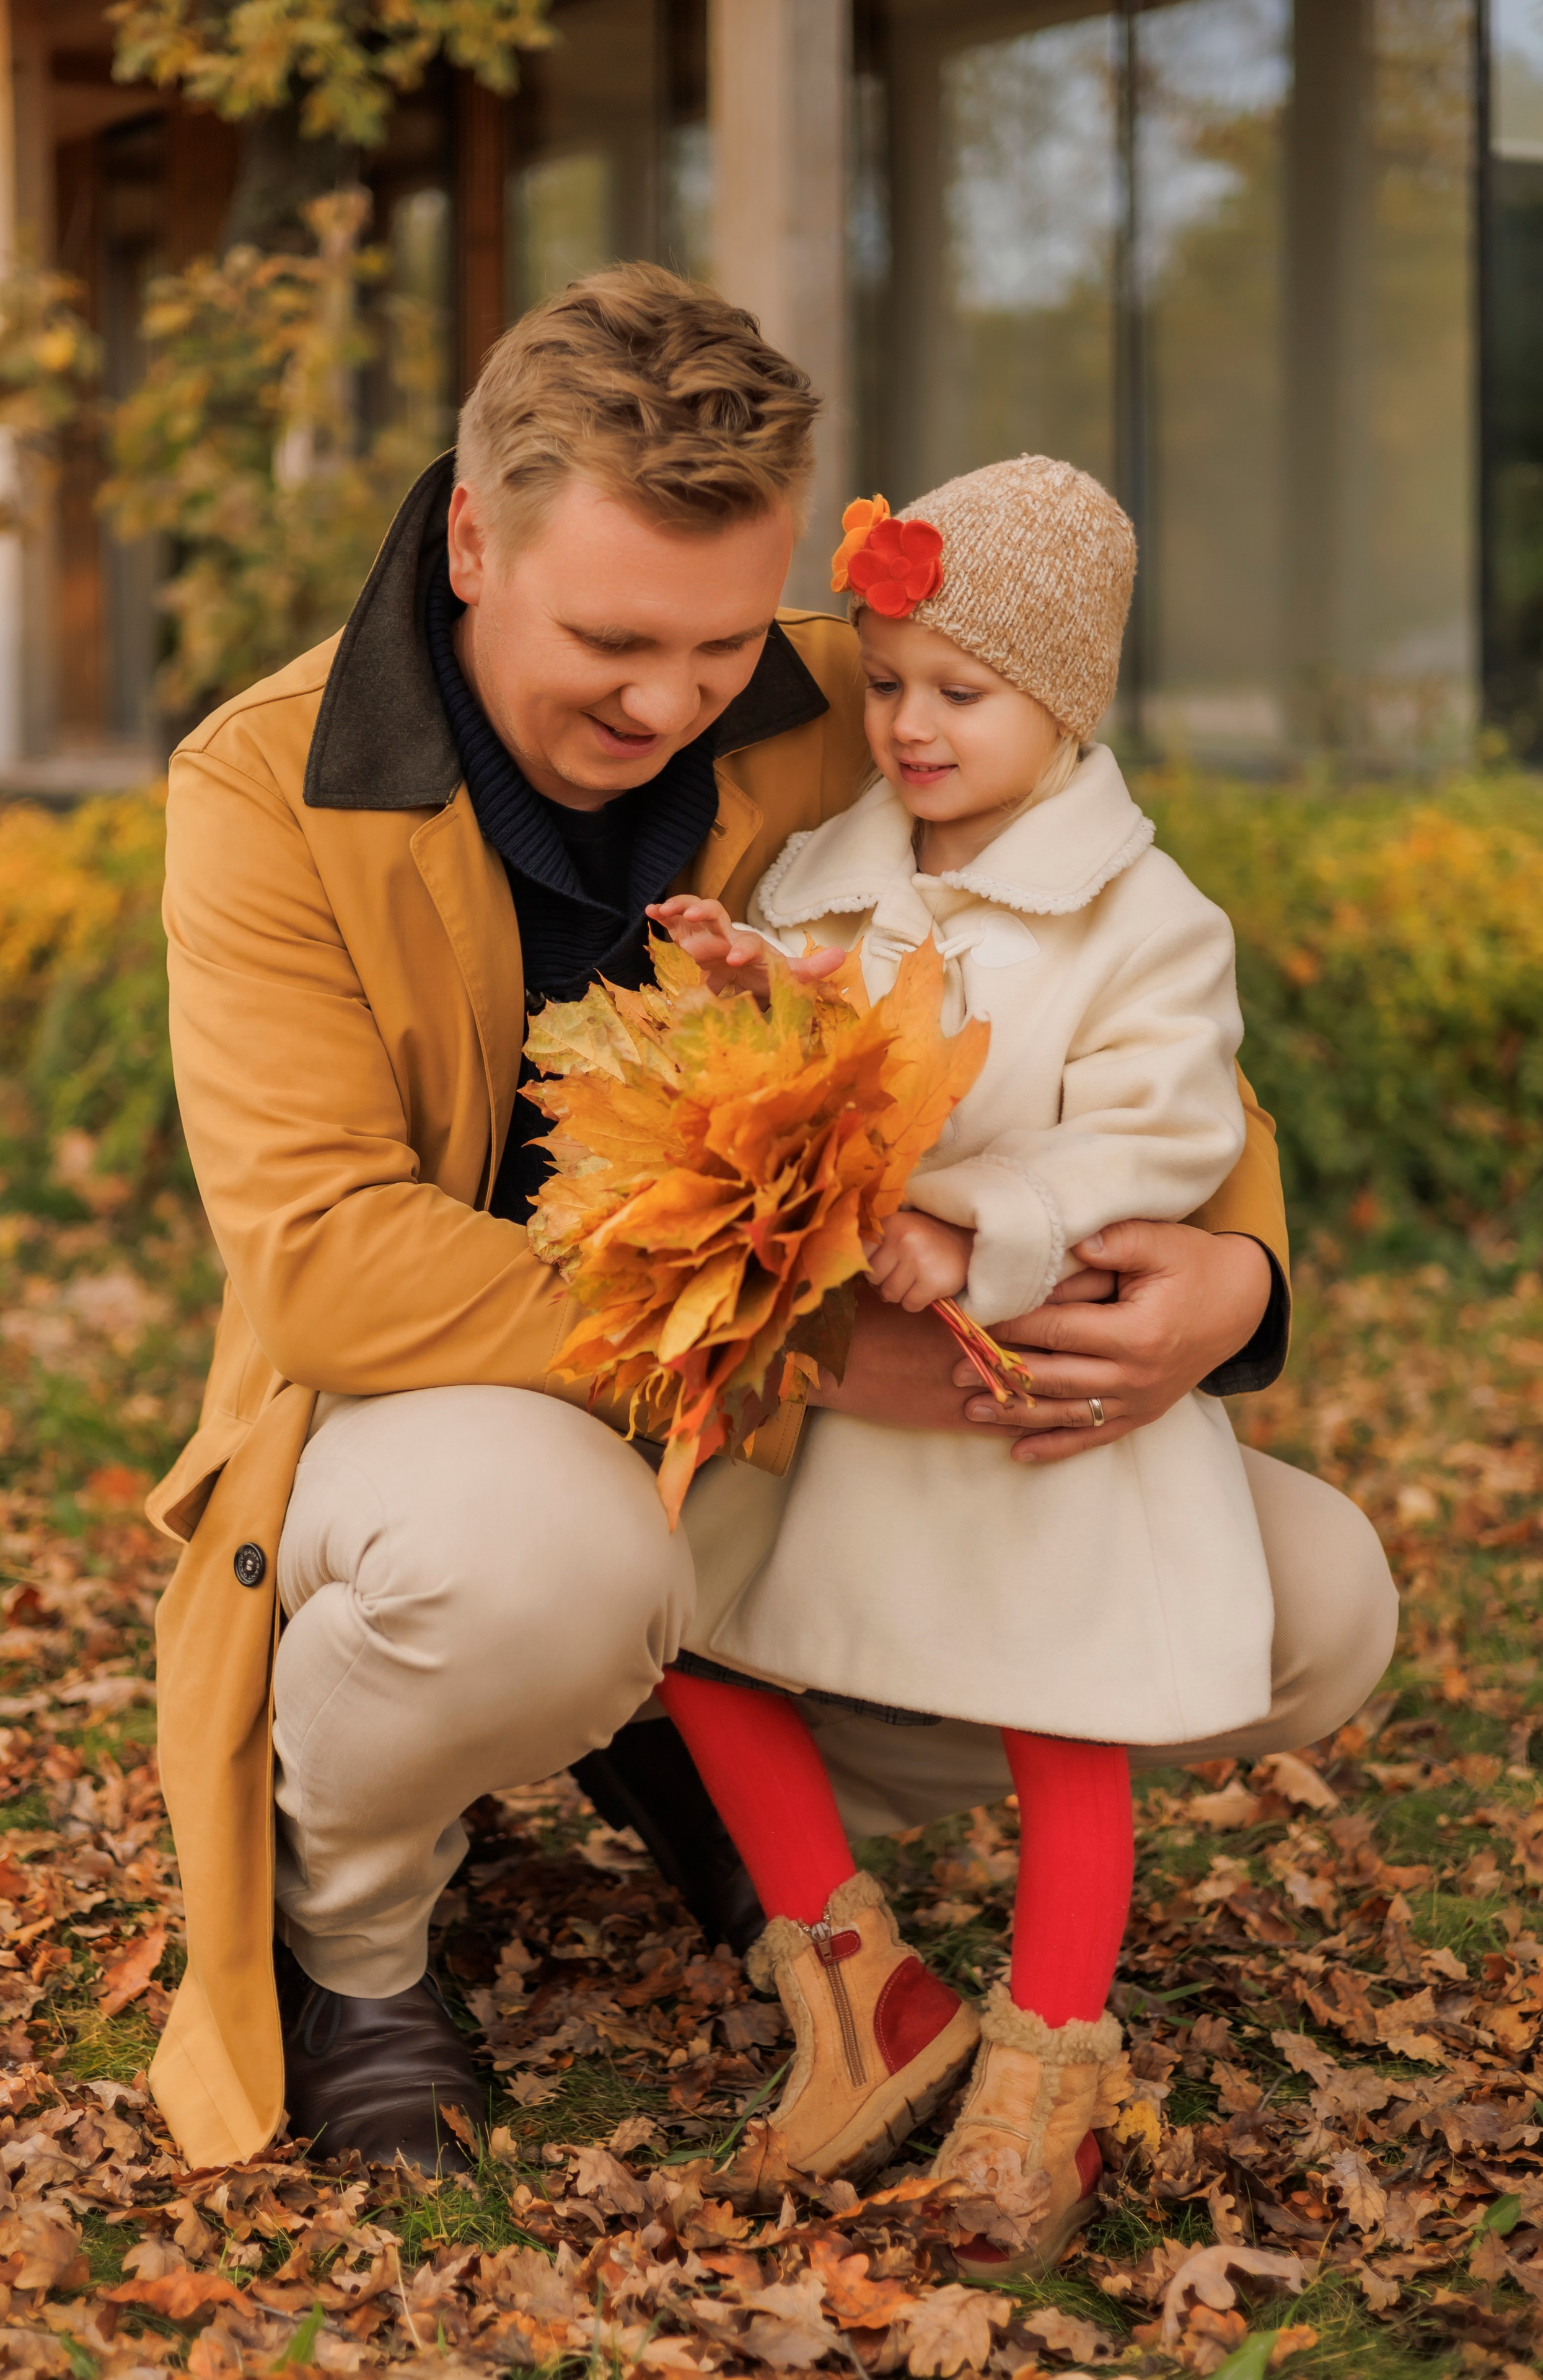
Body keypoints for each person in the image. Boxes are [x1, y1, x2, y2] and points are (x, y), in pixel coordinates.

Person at [149, 263, 1398, 2177]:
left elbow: (1134, 1014)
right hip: (449, 1417)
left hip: (786, 1442)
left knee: (1308, 1605)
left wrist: (1234, 1277)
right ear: (476, 537)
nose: (672, 703)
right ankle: (361, 1937)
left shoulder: (853, 697)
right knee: (542, 1564)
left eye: (724, 647)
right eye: (616, 639)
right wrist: (810, 1344)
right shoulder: (267, 783)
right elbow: (326, 1259)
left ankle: (697, 1736)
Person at [645, 457, 1295, 2273]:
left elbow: (1153, 1141)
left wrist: (988, 1225)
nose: (909, 726)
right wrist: (737, 973)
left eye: (961, 690)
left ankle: (1045, 2059)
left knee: (1058, 1706)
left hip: (1031, 1386)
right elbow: (822, 1040)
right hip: (853, 1387)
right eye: (887, 682)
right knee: (687, 1627)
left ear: (1062, 703)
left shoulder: (1142, 924)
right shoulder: (837, 871)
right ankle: (856, 1977)